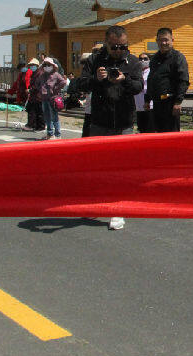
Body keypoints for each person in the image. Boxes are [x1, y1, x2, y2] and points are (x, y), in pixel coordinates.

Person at [76, 26, 144, 231]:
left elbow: (139, 87)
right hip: (99, 120)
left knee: (120, 167)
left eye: (123, 46)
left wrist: (125, 80)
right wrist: (96, 79)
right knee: (98, 166)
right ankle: (97, 203)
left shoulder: (132, 62)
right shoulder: (94, 60)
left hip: (123, 121)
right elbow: (81, 84)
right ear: (106, 43)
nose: (119, 50)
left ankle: (116, 208)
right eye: (114, 47)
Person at [146, 27, 189, 132]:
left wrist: (178, 102)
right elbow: (151, 79)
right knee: (157, 137)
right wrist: (147, 99)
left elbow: (183, 80)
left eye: (166, 40)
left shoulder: (178, 57)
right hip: (156, 104)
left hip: (171, 104)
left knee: (171, 137)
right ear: (157, 41)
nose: (163, 43)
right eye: (160, 40)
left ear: (172, 40)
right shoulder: (155, 58)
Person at [37, 57, 67, 140]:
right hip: (44, 98)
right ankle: (50, 133)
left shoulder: (56, 74)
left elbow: (63, 82)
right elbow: (37, 84)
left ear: (53, 66)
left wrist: (56, 88)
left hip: (53, 98)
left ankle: (57, 134)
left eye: (48, 65)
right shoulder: (42, 76)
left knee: (54, 116)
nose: (47, 66)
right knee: (46, 116)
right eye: (45, 65)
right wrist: (39, 91)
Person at [135, 53, 154, 133]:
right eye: (140, 59)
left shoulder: (152, 71)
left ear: (149, 60)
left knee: (150, 128)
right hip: (138, 105)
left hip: (150, 105)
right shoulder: (136, 72)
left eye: (145, 59)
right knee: (141, 128)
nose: (143, 61)